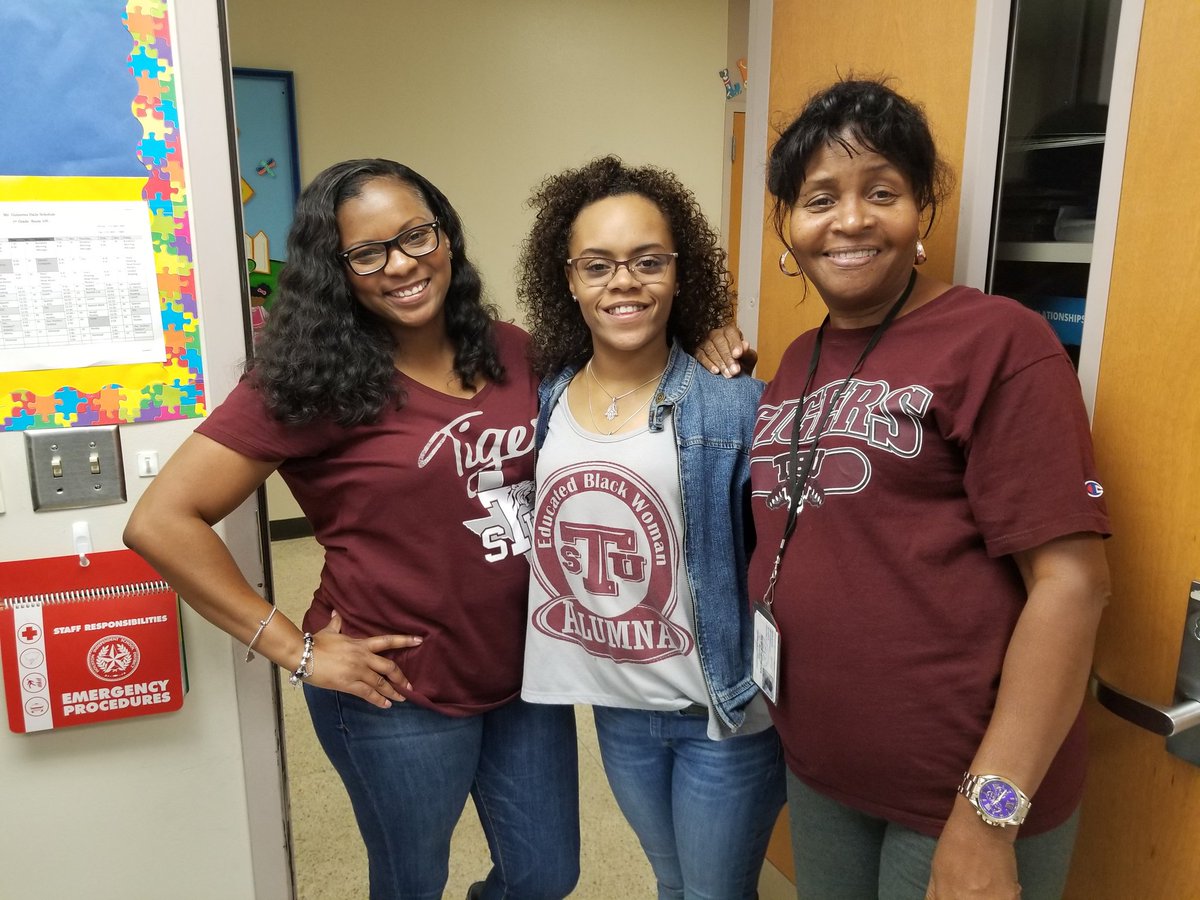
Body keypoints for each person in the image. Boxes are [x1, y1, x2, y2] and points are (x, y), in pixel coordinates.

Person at [123, 159, 579, 900]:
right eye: (368, 253)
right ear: (337, 271)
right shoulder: (306, 380)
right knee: (411, 883)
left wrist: (710, 340)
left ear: (447, 236)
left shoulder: (511, 348)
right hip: (395, 687)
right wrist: (293, 648)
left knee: (546, 874)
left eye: (416, 236)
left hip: (525, 672)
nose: (402, 265)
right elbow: (161, 521)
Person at [702, 79, 1111, 900]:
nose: (850, 220)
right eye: (821, 198)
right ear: (789, 223)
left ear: (921, 209)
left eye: (880, 191)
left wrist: (990, 814)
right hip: (824, 771)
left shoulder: (999, 342)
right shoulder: (795, 361)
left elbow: (1073, 586)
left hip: (960, 790)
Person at [516, 155, 786, 900]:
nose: (623, 282)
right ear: (568, 279)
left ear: (679, 272)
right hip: (618, 706)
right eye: (598, 265)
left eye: (647, 261)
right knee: (672, 885)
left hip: (721, 714)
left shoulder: (733, 406)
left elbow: (778, 562)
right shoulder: (544, 400)